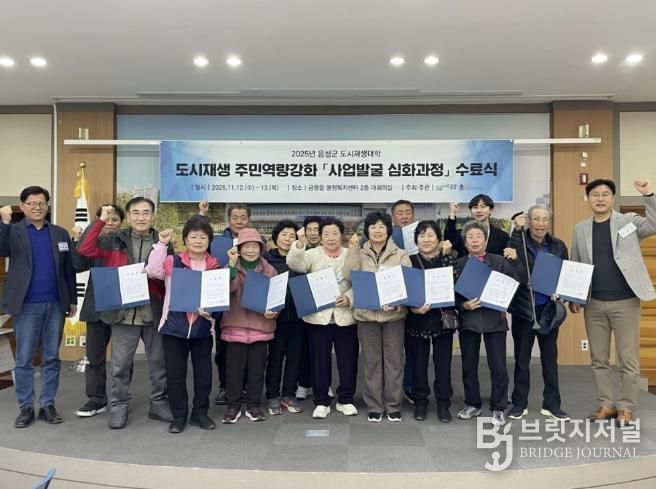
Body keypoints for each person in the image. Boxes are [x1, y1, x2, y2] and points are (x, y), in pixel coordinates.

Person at [77, 198, 173, 429]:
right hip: (122, 315)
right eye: (136, 213)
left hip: (153, 313)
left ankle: (158, 402)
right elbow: (85, 248)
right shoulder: (113, 239)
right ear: (128, 217)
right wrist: (100, 221)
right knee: (120, 365)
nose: (141, 217)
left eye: (146, 213)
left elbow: (170, 274)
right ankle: (119, 405)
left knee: (159, 364)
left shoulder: (163, 242)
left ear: (153, 216)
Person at [570, 178, 656, 426]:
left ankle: (626, 408)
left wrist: (648, 195)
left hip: (626, 302)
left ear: (613, 198)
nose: (600, 198)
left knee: (628, 359)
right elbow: (576, 263)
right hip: (594, 303)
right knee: (599, 359)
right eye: (595, 194)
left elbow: (654, 224)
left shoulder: (628, 221)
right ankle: (606, 405)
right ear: (588, 199)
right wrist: (574, 296)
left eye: (605, 194)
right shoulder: (580, 229)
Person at [0, 186, 76, 428]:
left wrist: (72, 299)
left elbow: (68, 269)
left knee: (51, 357)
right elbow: (2, 249)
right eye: (31, 203)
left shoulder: (60, 233)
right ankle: (25, 407)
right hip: (26, 305)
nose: (37, 207)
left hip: (55, 304)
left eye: (41, 203)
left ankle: (47, 405)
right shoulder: (14, 231)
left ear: (47, 206)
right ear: (22, 206)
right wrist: (4, 222)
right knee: (24, 359)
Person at [145, 216, 219, 433]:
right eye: (193, 237)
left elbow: (218, 298)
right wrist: (161, 244)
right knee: (175, 375)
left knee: (204, 375)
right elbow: (152, 271)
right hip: (174, 328)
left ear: (209, 241)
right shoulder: (172, 261)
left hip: (202, 328)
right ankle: (178, 416)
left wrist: (211, 311)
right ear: (185, 239)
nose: (198, 241)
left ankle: (200, 414)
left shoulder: (214, 266)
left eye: (203, 237)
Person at [342, 211, 412, 422]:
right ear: (367, 231)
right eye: (373, 227)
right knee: (371, 362)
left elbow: (407, 283)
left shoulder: (401, 254)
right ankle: (374, 405)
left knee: (394, 362)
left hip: (393, 317)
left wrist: (397, 304)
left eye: (381, 226)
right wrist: (353, 250)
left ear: (388, 230)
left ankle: (393, 405)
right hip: (366, 316)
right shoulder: (358, 252)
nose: (377, 230)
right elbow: (348, 276)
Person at [287, 217, 358, 419]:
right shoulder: (312, 254)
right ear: (320, 236)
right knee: (319, 361)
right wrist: (299, 244)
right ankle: (321, 401)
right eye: (326, 233)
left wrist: (349, 298)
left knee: (348, 360)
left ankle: (345, 399)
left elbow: (360, 280)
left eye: (335, 233)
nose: (331, 237)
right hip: (318, 317)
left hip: (345, 316)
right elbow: (294, 264)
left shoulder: (351, 254)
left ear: (342, 235)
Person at [454, 221, 522, 426]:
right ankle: (472, 404)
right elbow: (451, 294)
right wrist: (463, 305)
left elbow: (514, 284)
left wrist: (516, 263)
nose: (475, 240)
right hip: (469, 319)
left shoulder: (499, 261)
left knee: (498, 366)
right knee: (468, 365)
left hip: (495, 319)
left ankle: (498, 407)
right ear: (465, 243)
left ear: (485, 240)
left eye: (478, 236)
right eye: (470, 237)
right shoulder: (458, 264)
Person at [506, 205, 570, 421]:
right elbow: (514, 268)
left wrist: (561, 292)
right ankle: (519, 403)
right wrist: (516, 231)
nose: (540, 224)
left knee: (550, 359)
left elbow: (565, 273)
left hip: (548, 310)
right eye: (536, 219)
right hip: (524, 309)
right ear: (529, 221)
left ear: (549, 222)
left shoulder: (558, 246)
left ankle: (552, 404)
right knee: (522, 359)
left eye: (545, 219)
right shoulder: (519, 242)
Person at [71, 204, 125, 418]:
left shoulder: (126, 243)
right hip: (96, 308)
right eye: (105, 219)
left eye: (115, 220)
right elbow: (78, 265)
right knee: (95, 358)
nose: (110, 223)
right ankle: (97, 399)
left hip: (122, 309)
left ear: (121, 223)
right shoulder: (92, 244)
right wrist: (77, 239)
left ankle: (122, 396)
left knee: (123, 359)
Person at [220, 228, 279, 423]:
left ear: (261, 249)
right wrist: (230, 264)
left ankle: (254, 405)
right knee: (234, 371)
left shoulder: (269, 270)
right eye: (246, 246)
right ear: (238, 249)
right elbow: (225, 289)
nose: (251, 250)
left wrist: (274, 311)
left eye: (255, 246)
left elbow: (276, 296)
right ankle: (233, 406)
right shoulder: (231, 267)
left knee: (256, 371)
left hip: (260, 328)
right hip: (235, 326)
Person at [199, 201, 251, 406]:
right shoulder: (217, 241)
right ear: (228, 220)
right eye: (235, 217)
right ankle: (225, 387)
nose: (239, 221)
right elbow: (200, 235)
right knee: (223, 348)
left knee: (248, 347)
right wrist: (202, 214)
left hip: (247, 302)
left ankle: (245, 387)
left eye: (243, 217)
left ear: (249, 220)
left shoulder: (255, 240)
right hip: (223, 300)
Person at [405, 220, 457, 422]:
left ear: (438, 238)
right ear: (416, 240)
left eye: (430, 235)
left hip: (442, 320)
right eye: (421, 236)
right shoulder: (409, 261)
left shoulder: (448, 259)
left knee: (443, 365)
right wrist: (412, 308)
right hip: (417, 319)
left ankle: (443, 403)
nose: (426, 240)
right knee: (418, 364)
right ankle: (421, 401)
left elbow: (456, 287)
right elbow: (404, 290)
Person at [264, 219, 304, 415]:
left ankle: (289, 395)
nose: (288, 239)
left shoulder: (302, 258)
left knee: (294, 358)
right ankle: (272, 395)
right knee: (275, 358)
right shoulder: (266, 259)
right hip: (275, 318)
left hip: (298, 317)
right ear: (276, 237)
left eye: (292, 235)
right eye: (284, 234)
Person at [391, 199, 417, 405]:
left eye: (408, 212)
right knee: (392, 349)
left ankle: (409, 387)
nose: (404, 216)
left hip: (415, 295)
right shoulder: (385, 234)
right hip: (392, 297)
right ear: (393, 216)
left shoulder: (420, 234)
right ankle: (391, 389)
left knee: (412, 348)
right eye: (400, 212)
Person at [295, 216, 323, 400]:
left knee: (320, 349)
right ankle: (304, 383)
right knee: (304, 347)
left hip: (323, 306)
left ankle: (322, 384)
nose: (313, 233)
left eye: (316, 229)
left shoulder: (329, 250)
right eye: (309, 229)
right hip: (302, 303)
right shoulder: (299, 249)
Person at [445, 194, 510, 257]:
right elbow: (449, 240)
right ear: (471, 211)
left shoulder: (503, 236)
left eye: (483, 206)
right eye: (475, 207)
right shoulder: (463, 233)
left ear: (491, 210)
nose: (479, 211)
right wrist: (453, 213)